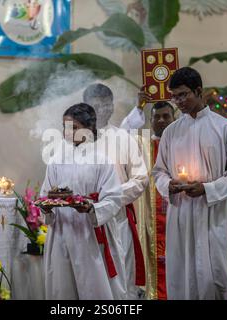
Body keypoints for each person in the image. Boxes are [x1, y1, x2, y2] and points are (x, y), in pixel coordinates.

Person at [152, 67, 227, 300]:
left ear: (199, 91)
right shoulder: (170, 133)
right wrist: (169, 185)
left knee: (214, 276)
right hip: (181, 214)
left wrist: (207, 189)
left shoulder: (224, 128)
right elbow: (158, 172)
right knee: (181, 274)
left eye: (183, 94)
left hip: (213, 213)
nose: (179, 101)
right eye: (175, 96)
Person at [40, 103, 127, 299]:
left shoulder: (102, 160)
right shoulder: (56, 160)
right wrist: (46, 207)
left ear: (90, 129)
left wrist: (92, 208)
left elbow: (113, 198)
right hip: (62, 231)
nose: (67, 132)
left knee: (94, 287)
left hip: (91, 232)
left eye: (74, 127)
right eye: (65, 127)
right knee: (63, 288)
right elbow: (45, 194)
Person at [83, 84, 149, 299]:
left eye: (106, 104)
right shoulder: (76, 140)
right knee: (89, 280)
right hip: (85, 219)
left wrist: (110, 198)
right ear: (86, 107)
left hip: (117, 218)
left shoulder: (123, 138)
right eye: (96, 104)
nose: (102, 109)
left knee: (122, 279)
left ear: (112, 106)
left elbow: (140, 178)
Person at [120, 98, 177, 300]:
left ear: (174, 118)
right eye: (157, 117)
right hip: (149, 215)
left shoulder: (183, 142)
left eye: (166, 116)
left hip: (177, 215)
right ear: (150, 121)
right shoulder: (141, 144)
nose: (161, 121)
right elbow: (122, 133)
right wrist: (139, 106)